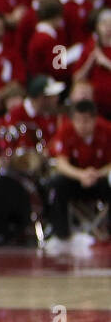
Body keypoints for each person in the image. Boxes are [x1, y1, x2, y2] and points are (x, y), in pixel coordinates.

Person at [46, 99, 111, 252]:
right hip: (75, 180)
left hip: (100, 179)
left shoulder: (107, 130)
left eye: (86, 121)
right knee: (56, 183)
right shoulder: (65, 131)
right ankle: (62, 235)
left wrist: (97, 174)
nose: (82, 126)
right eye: (78, 121)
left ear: (95, 119)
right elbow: (61, 163)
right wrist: (81, 175)